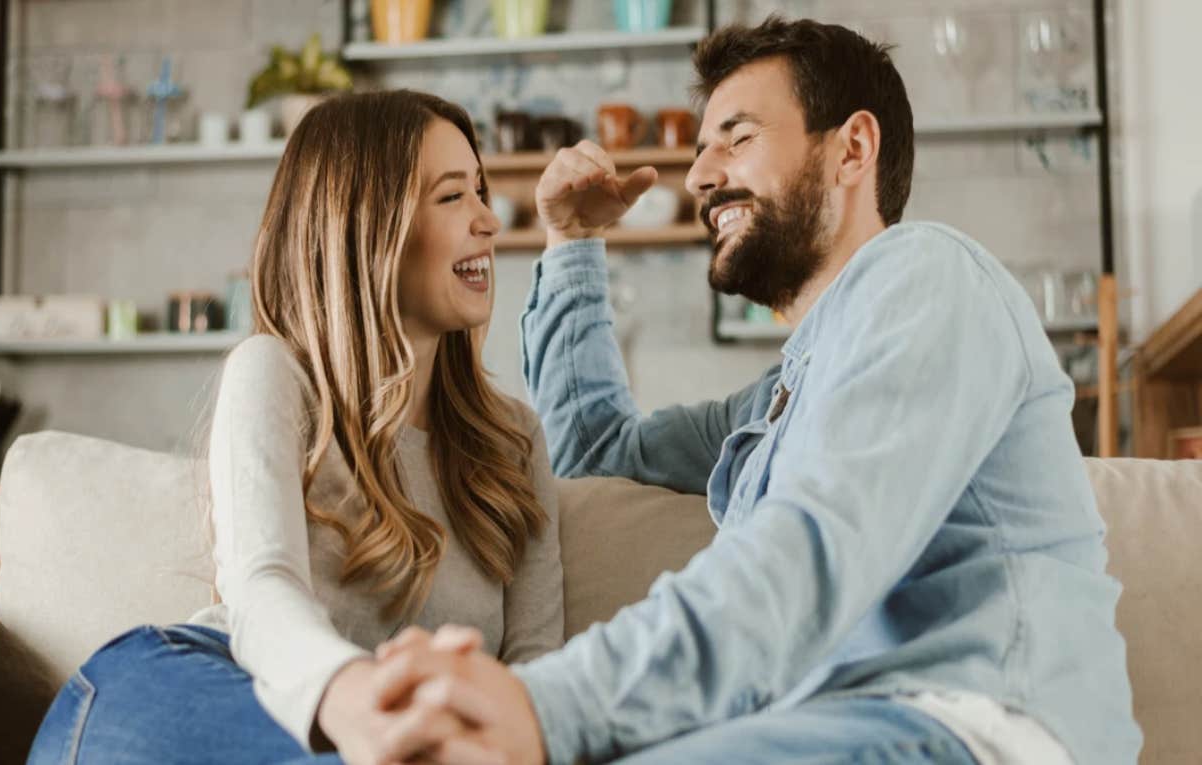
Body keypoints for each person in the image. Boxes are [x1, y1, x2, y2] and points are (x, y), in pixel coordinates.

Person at [368, 17, 1141, 765]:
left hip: (975, 728)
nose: (701, 174)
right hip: (835, 727)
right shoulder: (785, 394)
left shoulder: (930, 278)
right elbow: (596, 454)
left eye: (737, 138)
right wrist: (573, 241)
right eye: (703, 149)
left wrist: (543, 706)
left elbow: (807, 555)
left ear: (853, 150)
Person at [26, 90, 564, 765]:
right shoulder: (276, 373)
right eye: (453, 196)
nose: (488, 220)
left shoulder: (514, 441)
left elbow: (542, 669)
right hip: (203, 690)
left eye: (480, 192)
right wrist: (358, 700)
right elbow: (261, 586)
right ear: (369, 227)